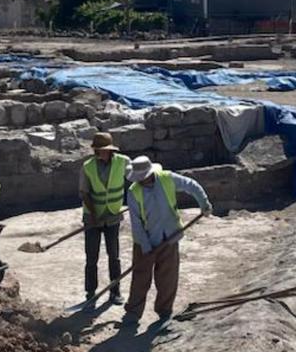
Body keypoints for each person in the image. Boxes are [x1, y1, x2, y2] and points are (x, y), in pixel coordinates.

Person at [123, 156, 211, 326]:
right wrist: (147, 248)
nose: (140, 181)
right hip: (144, 241)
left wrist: (204, 204)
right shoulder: (134, 192)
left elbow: (191, 185)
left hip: (169, 237)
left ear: (150, 174)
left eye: (143, 178)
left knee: (167, 277)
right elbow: (137, 224)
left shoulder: (167, 178)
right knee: (141, 277)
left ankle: (164, 311)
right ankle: (133, 313)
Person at [79, 132, 129, 307]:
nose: (104, 153)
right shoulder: (88, 166)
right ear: (96, 151)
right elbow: (84, 192)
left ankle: (115, 292)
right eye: (101, 150)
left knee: (113, 256)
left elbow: (135, 179)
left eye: (107, 150)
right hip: (92, 218)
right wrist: (93, 216)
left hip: (113, 216)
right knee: (91, 257)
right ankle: (90, 293)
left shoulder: (123, 162)